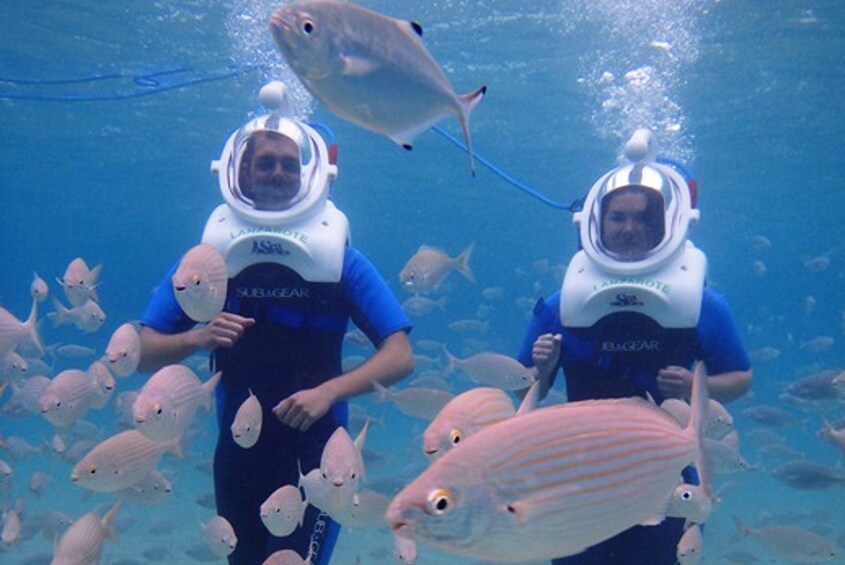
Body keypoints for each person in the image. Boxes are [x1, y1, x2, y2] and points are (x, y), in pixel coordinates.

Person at [137, 83, 414, 565]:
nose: (278, 173)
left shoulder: (340, 261)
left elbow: (400, 354)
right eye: (265, 163)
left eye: (289, 164)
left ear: (309, 174)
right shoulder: (212, 258)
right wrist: (197, 337)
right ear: (238, 171)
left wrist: (329, 393)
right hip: (239, 455)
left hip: (320, 453)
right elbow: (142, 350)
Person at [517, 129, 752, 565]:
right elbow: (520, 391)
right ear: (595, 222)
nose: (630, 228)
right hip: (581, 478)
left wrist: (693, 386)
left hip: (668, 479)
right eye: (618, 217)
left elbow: (741, 379)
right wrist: (541, 371)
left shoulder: (702, 303)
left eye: (645, 218)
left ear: (668, 223)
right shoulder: (562, 304)